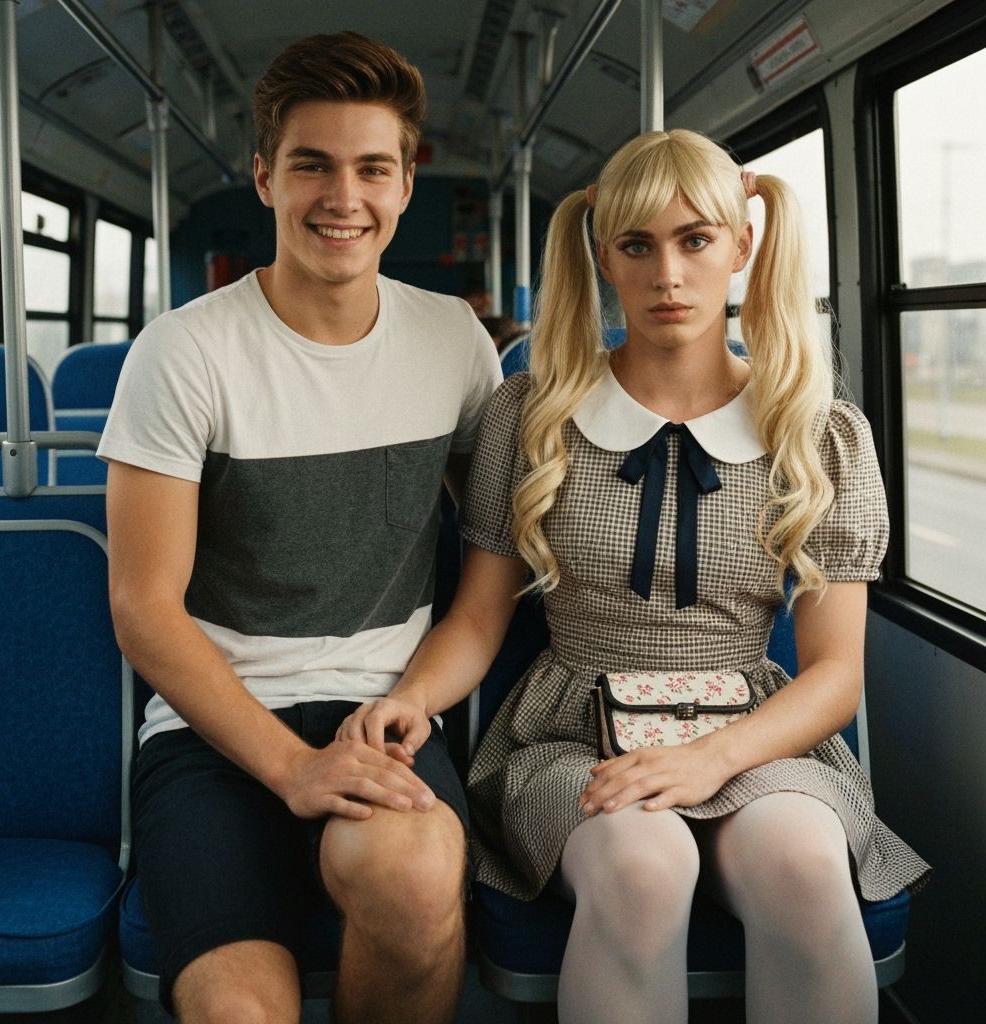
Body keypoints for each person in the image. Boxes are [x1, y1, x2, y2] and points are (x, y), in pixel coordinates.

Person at [337, 129, 930, 1024]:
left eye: (696, 240)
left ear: (742, 244)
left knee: (803, 863)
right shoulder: (533, 416)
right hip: (572, 726)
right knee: (644, 866)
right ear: (603, 256)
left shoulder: (821, 432)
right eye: (638, 246)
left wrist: (707, 760)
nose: (669, 276)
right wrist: (413, 699)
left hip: (755, 731)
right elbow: (478, 620)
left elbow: (835, 675)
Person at [99, 30, 501, 1024]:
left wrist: (412, 699)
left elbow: (489, 581)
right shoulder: (184, 352)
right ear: (264, 177)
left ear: (407, 182)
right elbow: (144, 607)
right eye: (311, 165)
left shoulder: (453, 340)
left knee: (413, 886)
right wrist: (290, 766)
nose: (343, 197)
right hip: (212, 733)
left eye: (372, 168)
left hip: (383, 713)